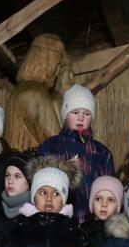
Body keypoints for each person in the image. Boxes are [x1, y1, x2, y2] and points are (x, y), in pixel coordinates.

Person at [36, 83, 116, 217]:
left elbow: (111, 190)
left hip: (93, 220)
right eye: (75, 112)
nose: (81, 118)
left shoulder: (102, 152)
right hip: (58, 219)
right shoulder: (50, 146)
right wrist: (65, 170)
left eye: (87, 113)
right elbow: (39, 184)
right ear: (65, 115)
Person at [82, 174, 124, 247]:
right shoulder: (82, 232)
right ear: (91, 203)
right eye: (98, 199)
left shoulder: (124, 234)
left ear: (118, 206)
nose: (104, 204)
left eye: (111, 200)